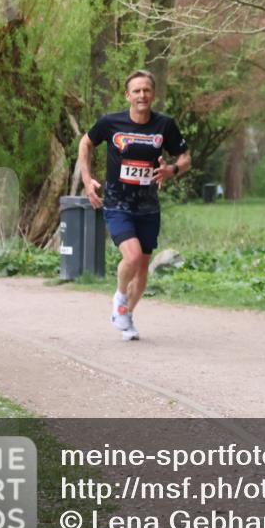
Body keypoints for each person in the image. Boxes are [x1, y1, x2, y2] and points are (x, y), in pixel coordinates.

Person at [77, 70, 191, 341]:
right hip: (118, 202)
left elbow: (185, 157)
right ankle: (119, 295)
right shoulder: (110, 122)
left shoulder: (165, 125)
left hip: (148, 206)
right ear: (128, 95)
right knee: (132, 256)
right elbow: (85, 142)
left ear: (153, 94)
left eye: (146, 90)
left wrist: (171, 170)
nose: (142, 95)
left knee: (142, 268)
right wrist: (87, 178)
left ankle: (126, 314)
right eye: (136, 91)